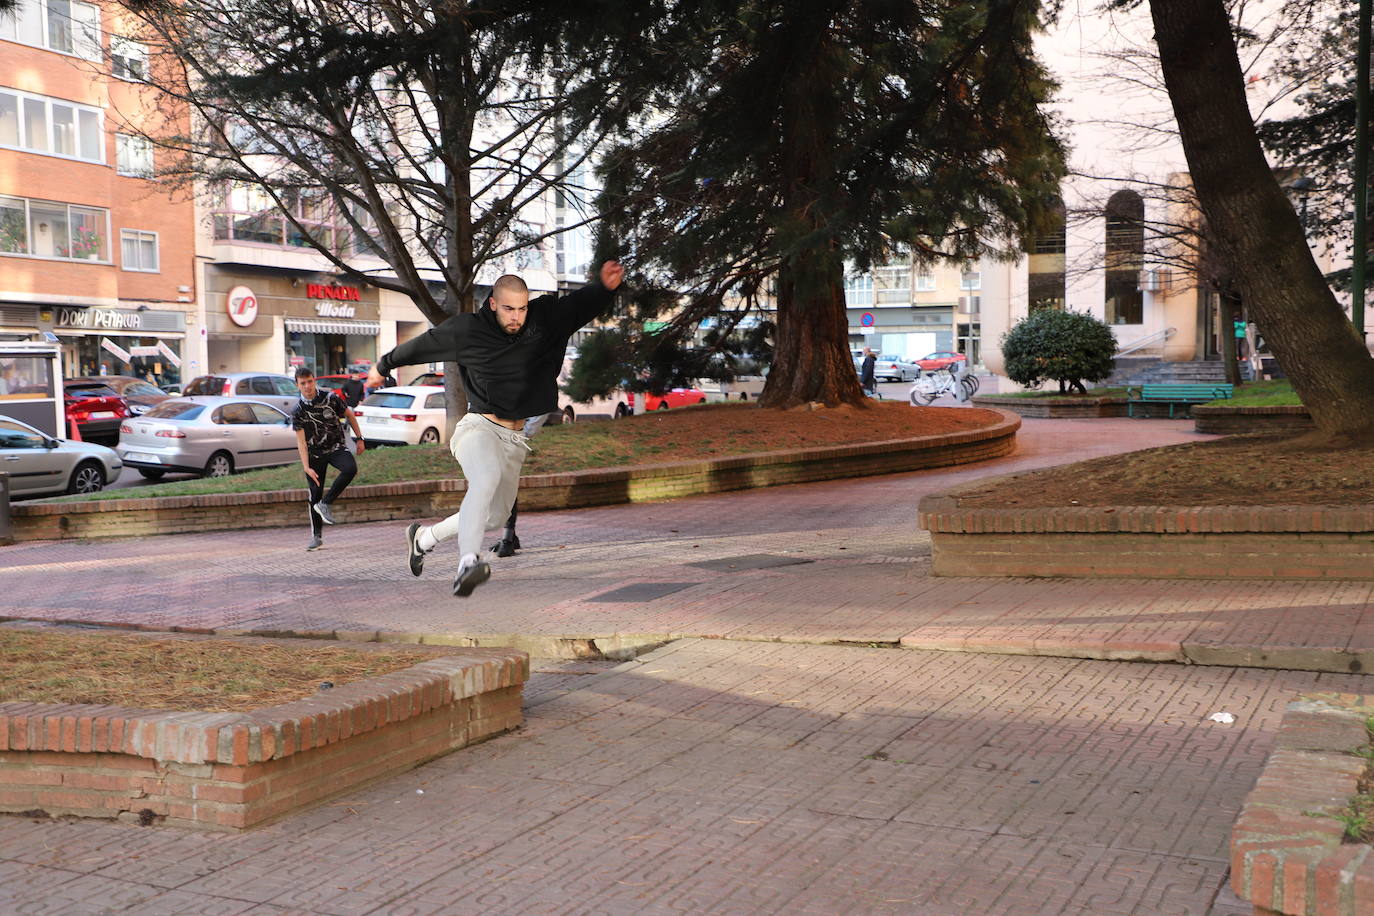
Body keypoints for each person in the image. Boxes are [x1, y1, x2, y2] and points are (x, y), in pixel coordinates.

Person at [368, 261, 624, 597]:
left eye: (521, 308)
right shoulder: (468, 331)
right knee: (484, 479)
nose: (516, 317)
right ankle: (468, 563)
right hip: (479, 428)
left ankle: (423, 538)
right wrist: (382, 366)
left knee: (493, 517)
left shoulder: (544, 320)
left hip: (515, 439)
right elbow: (422, 345)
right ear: (492, 303)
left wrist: (604, 288)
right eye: (508, 309)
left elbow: (577, 306)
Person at [291, 367, 365, 551]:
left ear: (314, 380)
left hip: (336, 447)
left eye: (309, 381)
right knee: (314, 493)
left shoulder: (331, 398)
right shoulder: (298, 410)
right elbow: (301, 442)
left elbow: (349, 415)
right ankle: (316, 537)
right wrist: (306, 467)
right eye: (303, 383)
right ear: (297, 385)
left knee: (350, 469)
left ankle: (326, 504)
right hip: (314, 455)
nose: (307, 386)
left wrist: (359, 438)